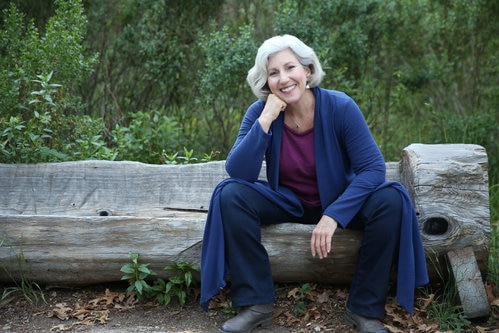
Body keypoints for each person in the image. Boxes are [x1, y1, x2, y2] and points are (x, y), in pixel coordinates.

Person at [200, 34, 428, 333]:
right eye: (273, 73)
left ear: (307, 70)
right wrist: (266, 119)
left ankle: (363, 311)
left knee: (392, 200)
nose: (284, 79)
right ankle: (256, 304)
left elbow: (372, 169)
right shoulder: (259, 113)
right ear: (266, 82)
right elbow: (238, 172)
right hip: (288, 202)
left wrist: (333, 215)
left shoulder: (339, 107)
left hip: (339, 200)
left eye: (290, 67)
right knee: (230, 194)